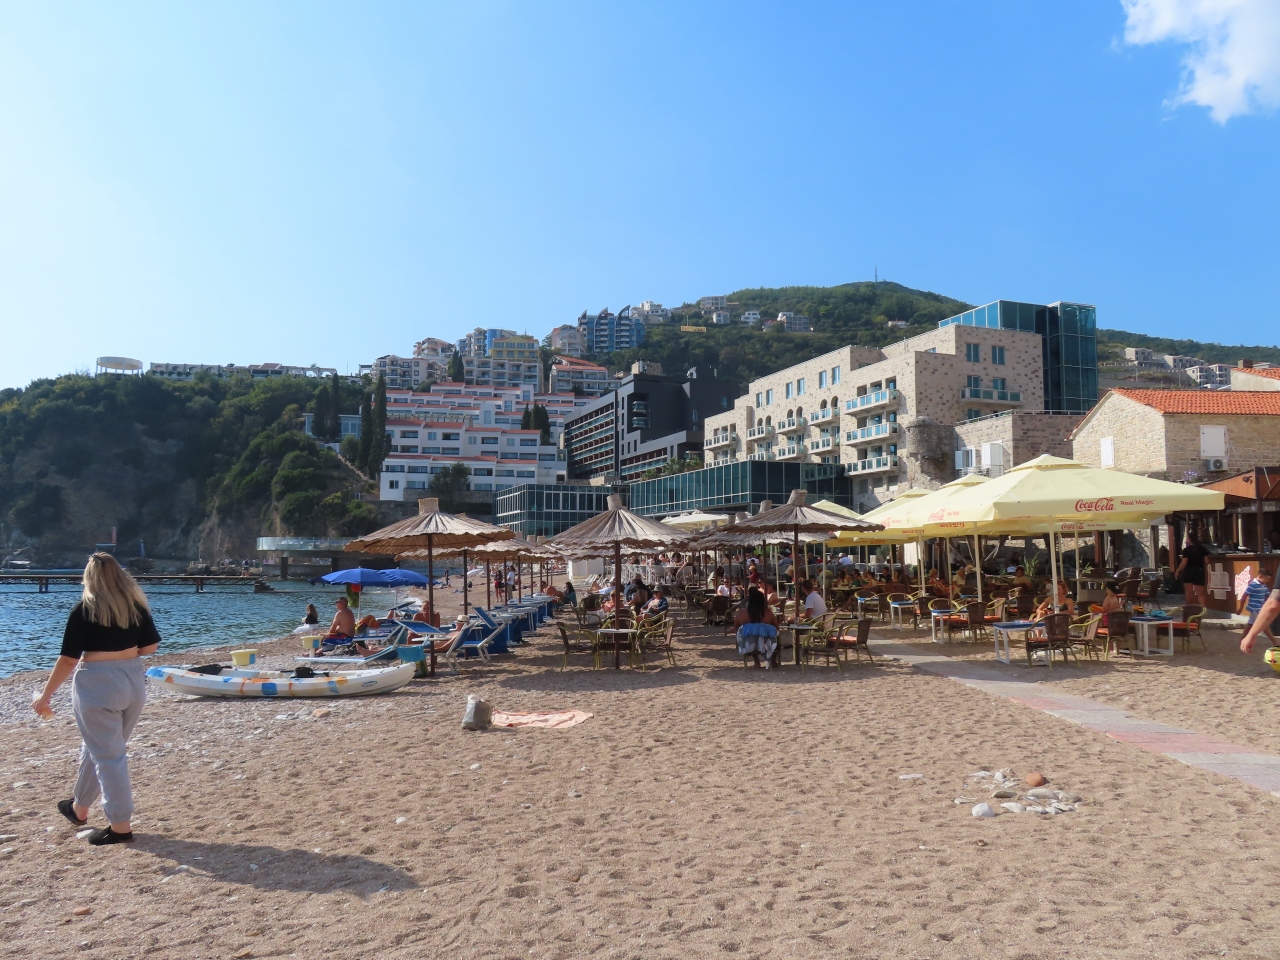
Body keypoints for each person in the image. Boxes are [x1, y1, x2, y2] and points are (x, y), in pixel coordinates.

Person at [33, 553, 160, 846]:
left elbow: (68, 660)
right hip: (132, 680)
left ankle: (120, 826)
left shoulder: (84, 610)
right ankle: (79, 807)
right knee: (102, 747)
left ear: (88, 577)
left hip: (98, 683)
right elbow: (150, 647)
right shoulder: (135, 605)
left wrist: (45, 697)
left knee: (109, 756)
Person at [733, 586, 780, 668]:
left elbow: (736, 628)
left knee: (751, 636)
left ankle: (756, 662)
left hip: (747, 645)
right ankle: (773, 661)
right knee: (774, 636)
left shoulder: (741, 613)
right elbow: (776, 628)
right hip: (766, 644)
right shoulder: (768, 613)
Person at [1239, 568, 1276, 653]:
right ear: (1260, 576)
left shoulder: (1263, 585)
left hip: (1260, 608)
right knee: (1264, 624)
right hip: (1254, 608)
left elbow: (1267, 596)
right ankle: (1274, 641)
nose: (1267, 580)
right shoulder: (1253, 585)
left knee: (1250, 625)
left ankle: (1241, 641)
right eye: (1266, 578)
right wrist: (1240, 608)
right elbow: (1244, 596)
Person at [1176, 529, 1209, 606]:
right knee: (1200, 594)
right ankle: (1203, 609)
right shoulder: (1203, 549)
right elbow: (1207, 561)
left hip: (1188, 571)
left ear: (1190, 539)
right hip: (1199, 571)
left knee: (1189, 592)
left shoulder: (1186, 550)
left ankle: (1189, 608)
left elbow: (1184, 562)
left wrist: (1178, 570)